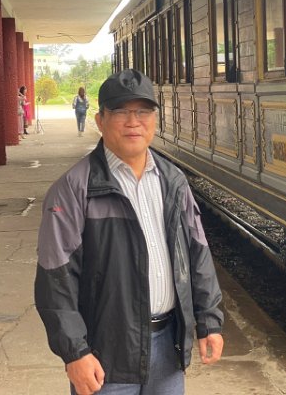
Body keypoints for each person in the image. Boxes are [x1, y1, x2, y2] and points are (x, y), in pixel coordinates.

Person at [35, 68, 224, 395]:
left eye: (143, 111)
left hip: (168, 349)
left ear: (155, 119)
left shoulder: (174, 182)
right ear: (100, 120)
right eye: (121, 111)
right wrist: (75, 352)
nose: (133, 121)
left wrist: (209, 320)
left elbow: (197, 255)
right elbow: (55, 279)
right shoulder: (75, 189)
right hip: (105, 355)